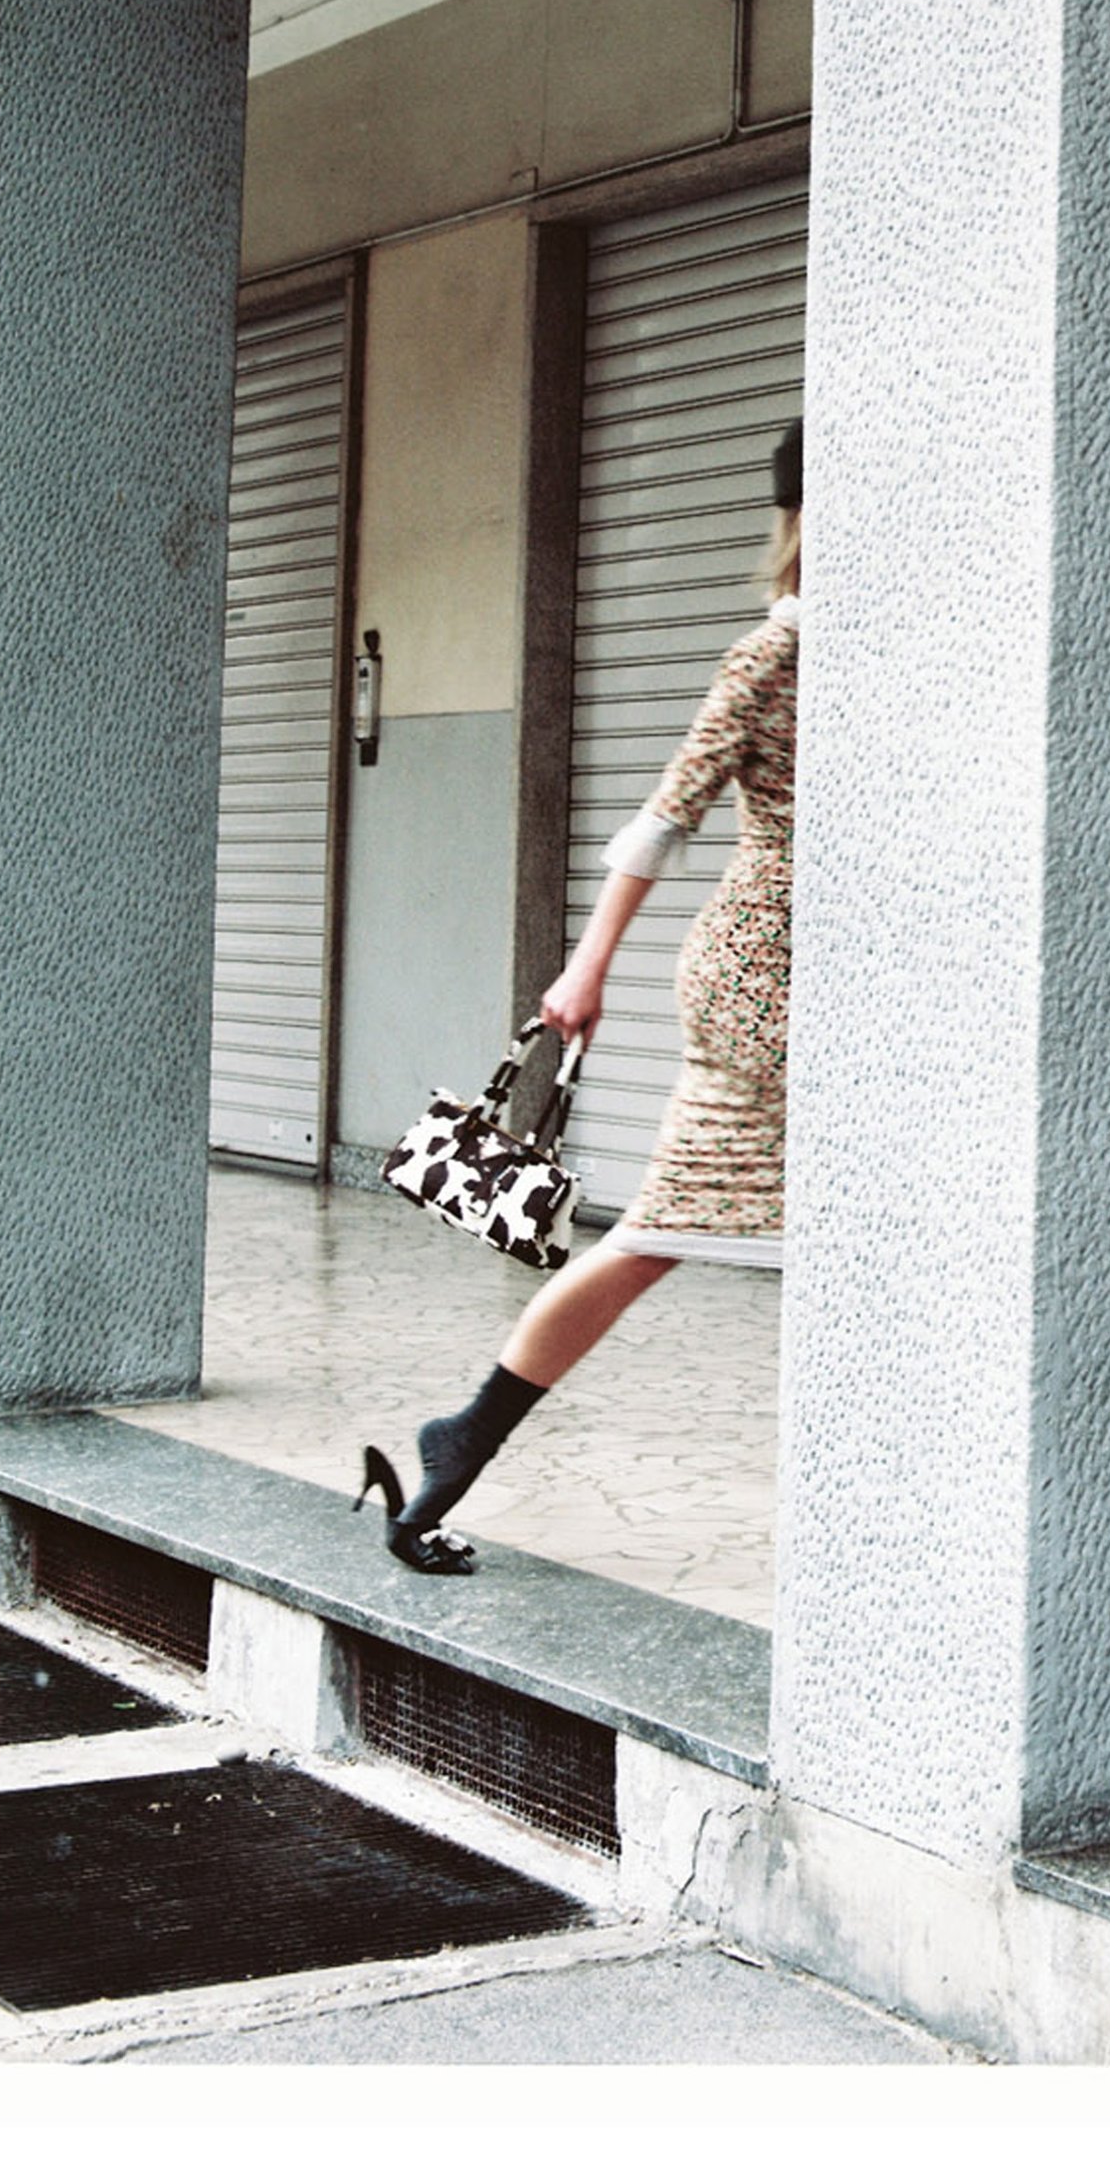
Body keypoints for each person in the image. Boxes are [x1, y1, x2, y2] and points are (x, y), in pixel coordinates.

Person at [357, 419, 803, 1573]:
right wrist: (585, 966)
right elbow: (668, 812)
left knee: (710, 1235)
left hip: (845, 979)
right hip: (769, 983)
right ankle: (459, 1442)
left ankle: (458, 1442)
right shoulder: (777, 653)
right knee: (657, 1233)